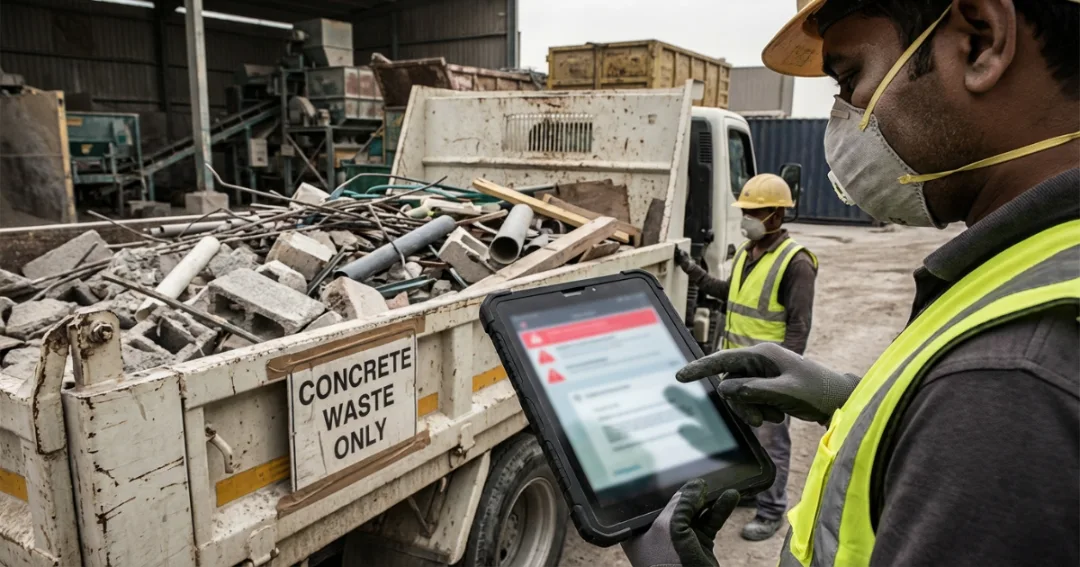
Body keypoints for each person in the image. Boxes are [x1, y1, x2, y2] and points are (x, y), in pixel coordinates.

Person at [621, 0, 1079, 565]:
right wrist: (854, 397)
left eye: (850, 77)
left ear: (980, 41)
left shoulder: (1010, 381)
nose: (843, 117)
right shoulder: (1030, 263)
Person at [673, 172, 817, 541]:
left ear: (778, 216)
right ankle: (751, 494)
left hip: (769, 374)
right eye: (746, 211)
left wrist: (785, 381)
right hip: (737, 368)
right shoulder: (748, 255)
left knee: (772, 442)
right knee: (739, 436)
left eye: (757, 212)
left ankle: (770, 512)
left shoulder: (795, 262)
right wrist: (692, 269)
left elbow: (799, 328)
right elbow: (728, 292)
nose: (747, 219)